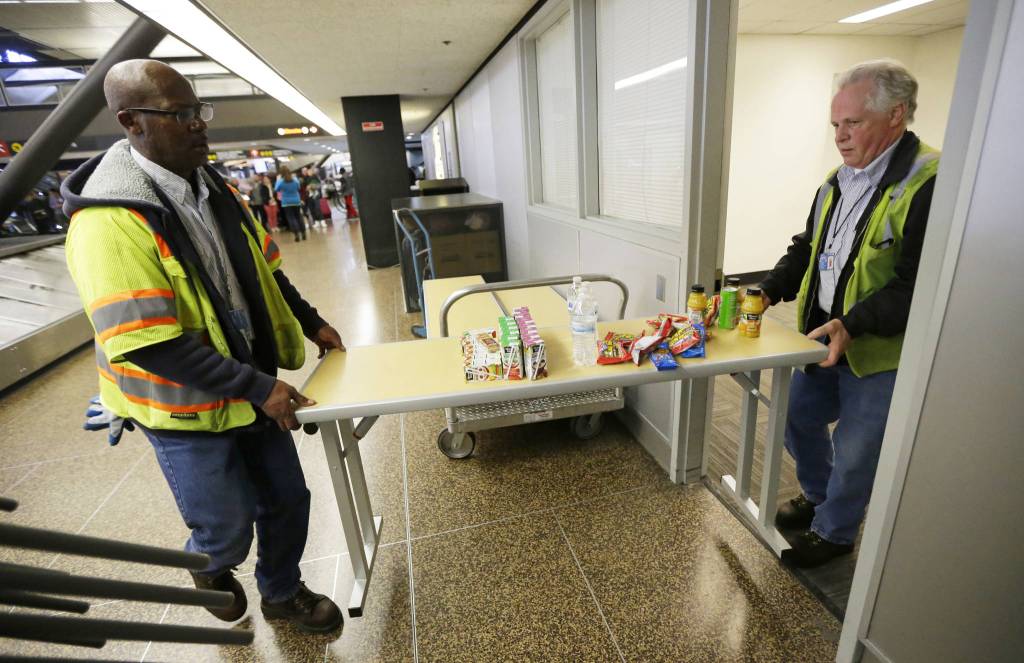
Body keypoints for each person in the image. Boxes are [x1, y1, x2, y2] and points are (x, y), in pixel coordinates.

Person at [62, 59, 346, 633]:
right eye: (181, 114)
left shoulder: (214, 187)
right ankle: (211, 568)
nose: (199, 126)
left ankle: (282, 592)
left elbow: (266, 273)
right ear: (131, 122)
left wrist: (310, 320)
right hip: (182, 406)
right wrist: (256, 386)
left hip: (251, 384)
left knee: (287, 499)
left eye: (200, 111)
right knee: (226, 521)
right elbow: (146, 343)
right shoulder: (107, 224)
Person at [759, 59, 939, 568]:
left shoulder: (929, 182)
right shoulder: (839, 179)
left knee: (859, 449)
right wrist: (767, 292)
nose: (840, 135)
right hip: (821, 333)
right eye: (835, 124)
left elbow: (916, 283)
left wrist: (853, 324)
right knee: (798, 418)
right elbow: (807, 248)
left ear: (896, 114)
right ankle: (817, 495)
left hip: (878, 348)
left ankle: (835, 532)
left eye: (852, 123)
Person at [275, 166, 306, 241]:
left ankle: (296, 235)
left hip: (286, 202)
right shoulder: (295, 179)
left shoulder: (280, 181)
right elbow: (298, 187)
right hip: (296, 200)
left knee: (291, 218)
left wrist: (278, 180)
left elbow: (276, 189)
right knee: (299, 216)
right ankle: (303, 233)